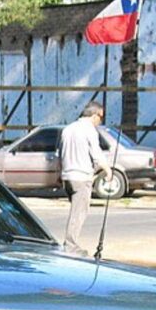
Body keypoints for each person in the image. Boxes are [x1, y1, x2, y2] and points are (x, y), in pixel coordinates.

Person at [59, 101, 112, 256]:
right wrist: (108, 170)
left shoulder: (68, 129)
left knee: (76, 210)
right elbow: (96, 154)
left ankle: (70, 244)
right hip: (81, 176)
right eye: (101, 118)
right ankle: (70, 246)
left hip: (67, 175)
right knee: (79, 212)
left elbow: (60, 153)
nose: (100, 122)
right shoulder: (89, 130)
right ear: (95, 115)